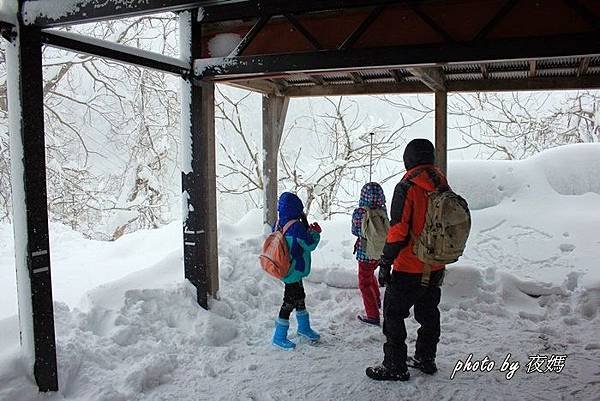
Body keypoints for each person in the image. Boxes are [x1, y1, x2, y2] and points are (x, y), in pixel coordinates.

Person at [366, 138, 449, 381]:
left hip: (409, 266)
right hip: (435, 264)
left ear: (408, 159)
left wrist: (385, 261)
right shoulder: (442, 183)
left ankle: (395, 365)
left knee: (393, 314)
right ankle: (426, 358)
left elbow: (400, 229)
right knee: (429, 313)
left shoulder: (407, 187)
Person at [272, 192, 322, 349]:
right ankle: (279, 336)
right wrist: (315, 233)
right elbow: (310, 244)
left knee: (299, 296)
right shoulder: (297, 227)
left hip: (286, 267)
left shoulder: (279, 223)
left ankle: (304, 328)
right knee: (289, 301)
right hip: (295, 269)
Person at [351, 182, 389, 326]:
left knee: (364, 283)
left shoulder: (360, 212)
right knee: (370, 275)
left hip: (365, 252)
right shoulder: (382, 211)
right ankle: (377, 302)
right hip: (380, 252)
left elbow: (355, 231)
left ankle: (372, 315)